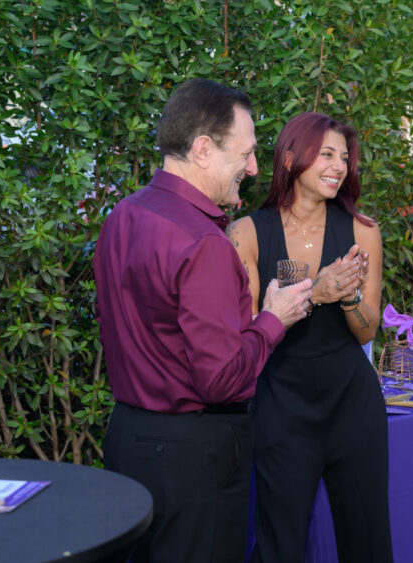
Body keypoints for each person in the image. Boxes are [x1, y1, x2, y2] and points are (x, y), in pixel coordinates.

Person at [93, 79, 312, 562]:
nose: (254, 168)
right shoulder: (203, 242)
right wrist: (273, 320)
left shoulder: (121, 217)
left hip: (127, 439)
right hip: (193, 457)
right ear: (204, 150)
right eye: (248, 153)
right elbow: (221, 380)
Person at [228, 112, 393, 561]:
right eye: (326, 154)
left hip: (352, 406)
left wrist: (346, 296)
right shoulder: (246, 234)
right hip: (282, 409)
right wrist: (315, 294)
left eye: (344, 157)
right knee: (280, 544)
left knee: (369, 542)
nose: (339, 166)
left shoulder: (364, 231)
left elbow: (366, 330)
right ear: (290, 156)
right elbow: (245, 335)